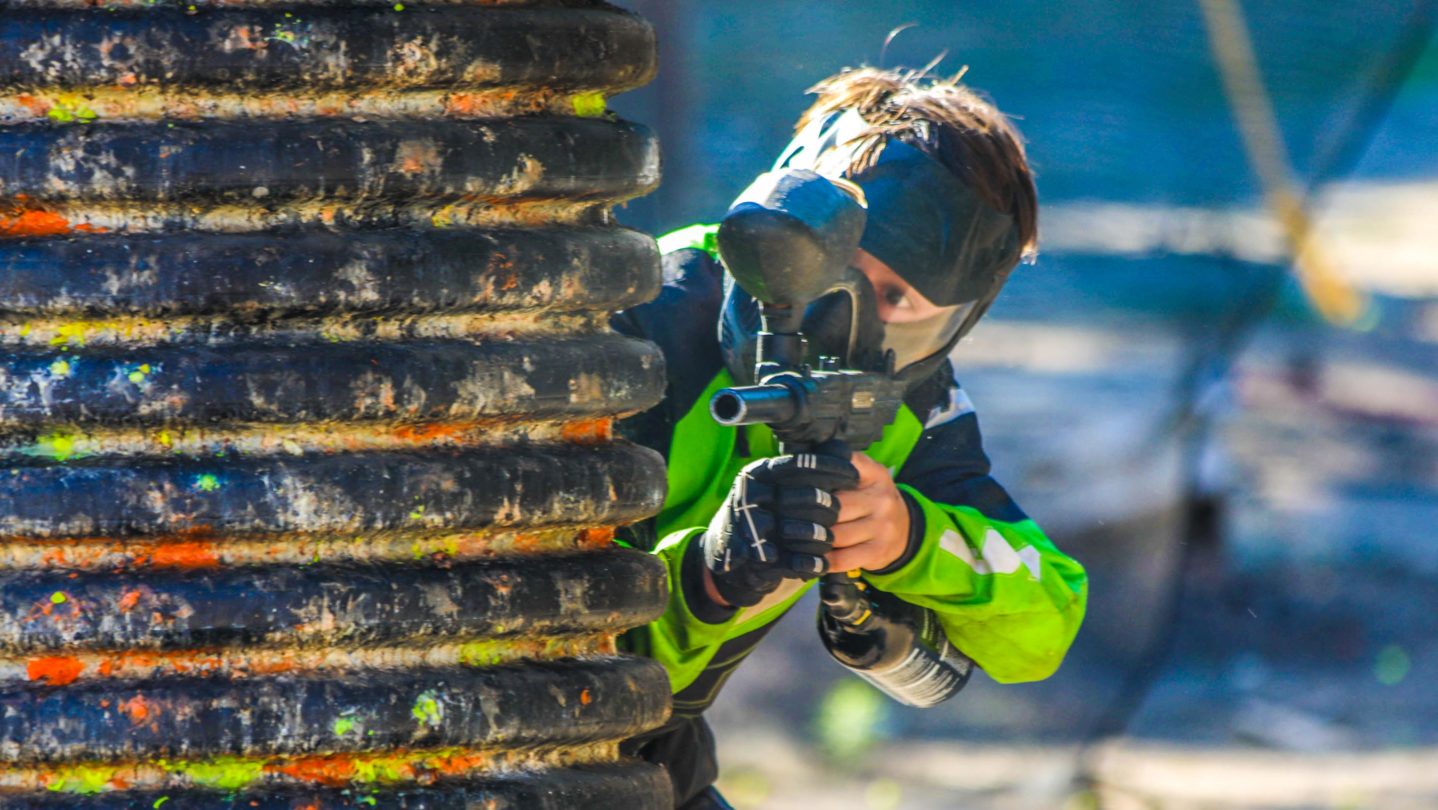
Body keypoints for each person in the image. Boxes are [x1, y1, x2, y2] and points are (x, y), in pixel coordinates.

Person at [612, 66, 1088, 810]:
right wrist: (708, 577)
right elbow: (538, 648)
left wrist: (909, 537)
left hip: (658, 761)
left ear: (948, 326)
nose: (848, 320)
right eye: (833, 269)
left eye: (898, 300)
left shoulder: (908, 396)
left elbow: (1045, 621)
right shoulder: (637, 321)